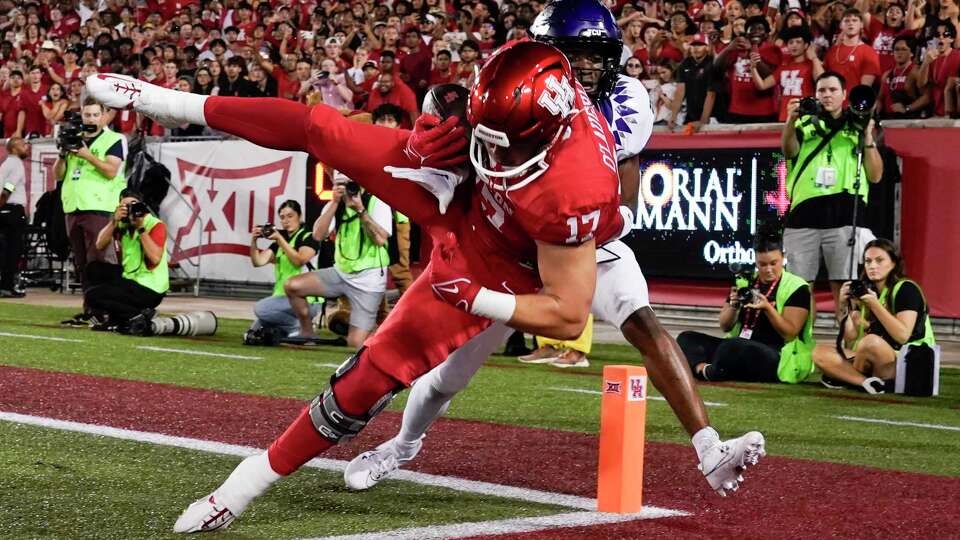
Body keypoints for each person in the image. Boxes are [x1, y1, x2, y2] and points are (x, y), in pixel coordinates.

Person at [87, 39, 627, 531]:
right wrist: (442, 123)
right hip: (457, 179)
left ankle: (243, 485)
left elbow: (567, 314)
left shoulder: (576, 188)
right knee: (321, 129)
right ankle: (168, 101)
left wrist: (476, 295)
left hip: (499, 254)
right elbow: (464, 105)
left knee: (372, 374)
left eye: (505, 147)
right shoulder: (519, 76)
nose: (497, 154)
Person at [343, 0, 766, 498]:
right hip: (509, 248)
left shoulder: (627, 98)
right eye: (573, 54)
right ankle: (402, 446)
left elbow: (621, 191)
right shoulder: (511, 84)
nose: (586, 66)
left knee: (645, 324)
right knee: (445, 378)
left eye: (596, 53)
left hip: (580, 243)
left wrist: (594, 221)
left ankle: (709, 449)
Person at [781, 71, 883, 321]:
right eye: (821, 91)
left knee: (844, 286)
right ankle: (801, 348)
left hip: (845, 212)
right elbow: (788, 150)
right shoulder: (804, 123)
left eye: (832, 90)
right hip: (803, 213)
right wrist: (790, 121)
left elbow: (876, 175)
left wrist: (867, 137)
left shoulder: (858, 126)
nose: (826, 95)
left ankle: (846, 347)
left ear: (844, 95)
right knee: (799, 288)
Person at [677, 235, 815, 383]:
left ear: (783, 257)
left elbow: (790, 334)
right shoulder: (745, 281)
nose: (769, 269)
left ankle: (714, 370)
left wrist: (768, 308)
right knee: (687, 338)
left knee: (733, 346)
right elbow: (725, 326)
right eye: (762, 264)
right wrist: (734, 305)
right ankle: (703, 369)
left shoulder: (796, 287)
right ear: (755, 261)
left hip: (777, 355)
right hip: (739, 345)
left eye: (774, 263)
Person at [283, 171, 392, 348]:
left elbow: (380, 239)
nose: (347, 189)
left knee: (355, 343)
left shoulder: (376, 201)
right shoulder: (336, 203)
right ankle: (307, 332)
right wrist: (334, 202)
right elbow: (317, 235)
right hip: (340, 274)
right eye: (341, 184)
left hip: (368, 281)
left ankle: (373, 331)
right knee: (292, 286)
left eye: (350, 183)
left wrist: (360, 210)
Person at [813, 238, 936, 394]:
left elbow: (902, 336)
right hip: (874, 358)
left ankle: (844, 376)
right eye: (868, 261)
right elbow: (850, 337)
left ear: (893, 263)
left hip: (912, 361)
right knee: (819, 352)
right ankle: (866, 382)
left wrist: (875, 305)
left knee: (870, 342)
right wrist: (844, 306)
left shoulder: (906, 289)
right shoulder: (866, 291)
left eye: (879, 260)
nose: (872, 266)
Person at [54, 97, 127, 327]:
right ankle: (91, 309)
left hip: (100, 207)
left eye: (96, 115)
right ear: (82, 116)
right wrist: (62, 155)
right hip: (74, 207)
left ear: (105, 115)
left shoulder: (114, 139)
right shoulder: (75, 140)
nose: (91, 119)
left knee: (100, 262)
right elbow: (58, 175)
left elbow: (110, 171)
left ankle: (108, 310)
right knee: (82, 264)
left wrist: (87, 155)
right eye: (87, 115)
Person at [84, 188, 168, 335]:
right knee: (94, 269)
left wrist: (141, 228)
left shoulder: (154, 224)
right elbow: (99, 245)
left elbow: (155, 258)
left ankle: (136, 316)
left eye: (133, 206)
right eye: (125, 206)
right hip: (130, 278)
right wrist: (114, 221)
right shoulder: (122, 224)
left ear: (142, 206)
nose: (130, 210)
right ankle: (119, 317)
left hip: (150, 287)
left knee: (94, 295)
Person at [244, 200, 322, 346]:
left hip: (306, 300)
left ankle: (302, 327)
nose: (286, 221)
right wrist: (254, 241)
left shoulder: (309, 237)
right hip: (282, 300)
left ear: (299, 216)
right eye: (282, 217)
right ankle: (291, 331)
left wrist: (280, 239)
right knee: (254, 331)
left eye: (290, 216)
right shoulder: (280, 241)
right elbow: (258, 262)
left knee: (261, 308)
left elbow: (299, 260)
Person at [751, 26, 824, 122]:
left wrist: (814, 58)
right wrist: (753, 68)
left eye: (798, 42)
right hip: (785, 117)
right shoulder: (783, 67)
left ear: (806, 45)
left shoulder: (812, 64)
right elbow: (762, 85)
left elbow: (822, 81)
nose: (794, 45)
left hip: (807, 117)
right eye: (790, 42)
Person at [824, 9, 882, 94]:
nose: (850, 23)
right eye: (847, 20)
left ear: (861, 24)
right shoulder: (832, 51)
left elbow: (864, 88)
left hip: (853, 104)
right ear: (841, 25)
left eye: (855, 20)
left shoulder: (869, 52)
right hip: (831, 103)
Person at [0, 136, 30, 297]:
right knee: (13, 251)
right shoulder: (17, 164)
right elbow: (8, 188)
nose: (26, 147)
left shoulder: (5, 164)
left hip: (4, 211)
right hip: (12, 211)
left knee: (4, 250)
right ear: (13, 148)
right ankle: (7, 286)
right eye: (22, 145)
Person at [878, 36, 930, 118]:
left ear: (911, 53)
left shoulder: (916, 71)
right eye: (897, 49)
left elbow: (927, 97)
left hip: (907, 121)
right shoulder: (887, 74)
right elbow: (880, 99)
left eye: (903, 49)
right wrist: (875, 112)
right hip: (888, 120)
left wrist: (907, 108)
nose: (899, 52)